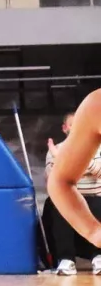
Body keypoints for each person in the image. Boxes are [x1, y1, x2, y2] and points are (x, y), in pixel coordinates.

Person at [46, 111, 101, 274]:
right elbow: (52, 178)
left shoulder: (98, 148)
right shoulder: (55, 149)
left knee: (97, 204)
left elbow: (99, 172)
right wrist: (82, 166)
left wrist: (66, 160)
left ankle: (98, 257)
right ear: (65, 128)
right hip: (70, 198)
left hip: (95, 197)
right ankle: (66, 260)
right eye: (72, 125)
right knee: (59, 204)